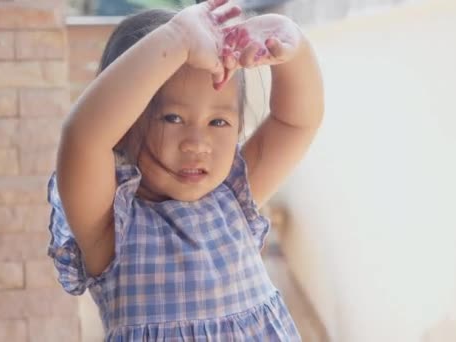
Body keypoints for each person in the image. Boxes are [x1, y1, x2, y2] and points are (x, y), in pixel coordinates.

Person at [47, 0, 324, 340]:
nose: (197, 143)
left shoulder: (233, 200)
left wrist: (289, 41)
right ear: (124, 124)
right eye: (172, 118)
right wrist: (177, 38)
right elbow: (84, 137)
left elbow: (296, 122)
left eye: (218, 121)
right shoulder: (109, 228)